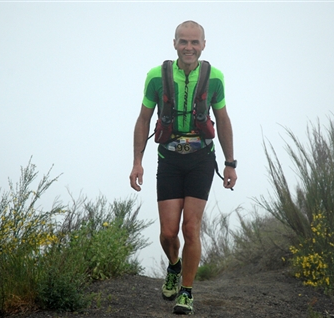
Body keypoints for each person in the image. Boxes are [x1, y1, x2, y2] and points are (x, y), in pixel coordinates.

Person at [129, 20, 237, 315]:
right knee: (167, 233)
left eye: (194, 42)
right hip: (169, 158)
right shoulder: (156, 76)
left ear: (203, 45)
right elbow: (143, 119)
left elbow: (223, 120)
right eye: (183, 42)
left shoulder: (214, 77)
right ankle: (174, 267)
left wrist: (230, 163)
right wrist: (137, 162)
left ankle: (187, 292)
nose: (189, 47)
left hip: (202, 158)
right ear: (174, 44)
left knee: (191, 228)